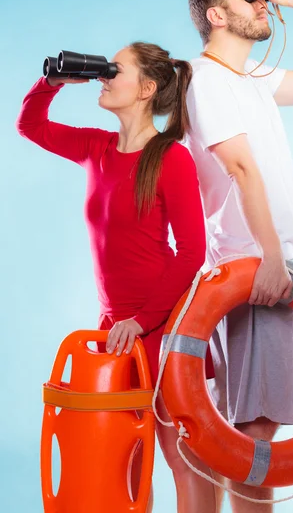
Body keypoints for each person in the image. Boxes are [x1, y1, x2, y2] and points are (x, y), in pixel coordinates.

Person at [16, 42, 219, 513]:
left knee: (178, 454)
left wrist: (143, 319)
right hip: (116, 327)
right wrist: (52, 83)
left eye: (115, 70)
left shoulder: (171, 158)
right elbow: (30, 126)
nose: (105, 76)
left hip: (163, 326)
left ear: (147, 88)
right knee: (125, 449)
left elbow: (192, 253)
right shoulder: (96, 147)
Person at [184, 0, 293, 512]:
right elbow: (242, 168)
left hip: (257, 258)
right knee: (255, 429)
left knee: (243, 425)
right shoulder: (205, 78)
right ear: (217, 15)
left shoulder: (251, 79)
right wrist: (271, 256)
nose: (261, 4)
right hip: (252, 262)